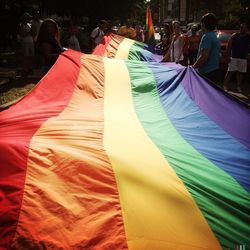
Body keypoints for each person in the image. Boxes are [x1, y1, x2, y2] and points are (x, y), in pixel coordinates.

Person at [192, 13, 221, 84]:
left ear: (203, 25)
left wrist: (193, 67)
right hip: (214, 70)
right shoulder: (214, 36)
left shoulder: (206, 37)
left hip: (207, 72)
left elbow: (204, 57)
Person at [223, 23, 250, 92]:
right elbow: (229, 46)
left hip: (243, 58)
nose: (244, 29)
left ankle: (238, 86)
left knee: (240, 73)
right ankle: (225, 86)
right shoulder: (235, 36)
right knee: (230, 72)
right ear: (240, 28)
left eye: (245, 28)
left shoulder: (248, 37)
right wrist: (228, 56)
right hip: (234, 57)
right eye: (242, 27)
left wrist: (248, 54)